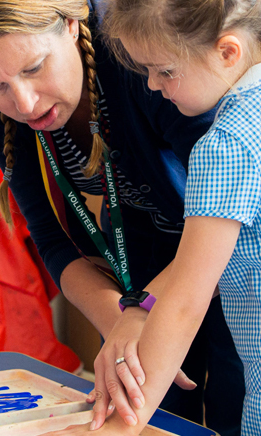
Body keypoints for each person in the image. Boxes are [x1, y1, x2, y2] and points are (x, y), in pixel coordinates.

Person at [0, 0, 244, 434]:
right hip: (141, 247)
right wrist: (124, 318)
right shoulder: (0, 108)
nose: (24, 104)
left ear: (70, 22)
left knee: (237, 399)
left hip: (235, 244)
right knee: (141, 397)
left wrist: (146, 313)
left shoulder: (143, 60)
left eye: (33, 68)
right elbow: (50, 238)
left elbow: (229, 218)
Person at [39, 0, 260, 434]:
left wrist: (118, 428)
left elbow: (183, 303)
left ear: (227, 52)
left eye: (164, 70)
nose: (154, 87)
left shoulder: (226, 144)